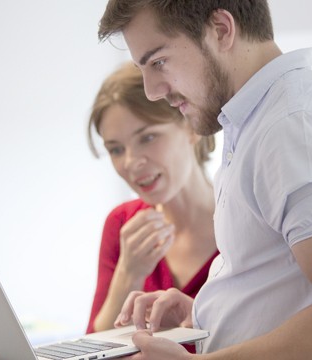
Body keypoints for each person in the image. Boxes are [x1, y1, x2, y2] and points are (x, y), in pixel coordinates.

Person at [98, 1, 312, 359]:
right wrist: (207, 311)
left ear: (222, 30)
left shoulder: (297, 128)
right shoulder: (261, 125)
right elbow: (294, 290)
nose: (152, 90)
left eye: (158, 61)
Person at [85, 61, 219, 348]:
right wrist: (128, 274)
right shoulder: (122, 223)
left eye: (147, 137)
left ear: (191, 127)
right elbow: (93, 348)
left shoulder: (244, 218)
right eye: (116, 149)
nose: (131, 162)